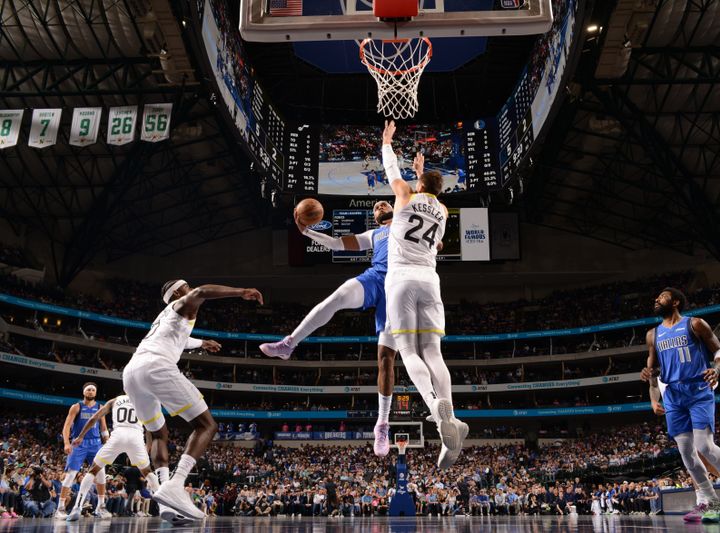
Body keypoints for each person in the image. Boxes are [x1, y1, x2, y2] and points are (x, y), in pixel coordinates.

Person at [259, 201, 399, 457]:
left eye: (384, 203)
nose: (379, 205)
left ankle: (382, 423)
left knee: (385, 359)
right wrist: (306, 232)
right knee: (335, 299)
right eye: (376, 207)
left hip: (401, 286)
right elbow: (336, 244)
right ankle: (289, 343)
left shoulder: (406, 222)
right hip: (376, 278)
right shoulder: (374, 234)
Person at [123, 280, 262, 521]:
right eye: (186, 285)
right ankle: (176, 484)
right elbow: (202, 292)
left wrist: (202, 343)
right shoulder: (182, 303)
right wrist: (241, 291)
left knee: (158, 434)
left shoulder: (165, 316)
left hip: (132, 372)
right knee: (207, 425)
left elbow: (180, 339)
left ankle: (166, 502)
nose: (191, 288)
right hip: (156, 367)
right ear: (177, 293)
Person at [380, 119, 468, 471]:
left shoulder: (405, 196)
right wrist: (422, 174)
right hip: (430, 280)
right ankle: (450, 413)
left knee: (407, 351)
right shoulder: (444, 211)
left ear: (418, 184)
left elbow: (390, 173)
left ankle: (435, 408)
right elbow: (429, 196)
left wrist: (388, 144)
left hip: (400, 278)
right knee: (433, 351)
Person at [641, 287, 720, 523]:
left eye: (661, 296)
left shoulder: (696, 324)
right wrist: (653, 399)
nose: (656, 299)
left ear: (676, 302)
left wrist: (717, 368)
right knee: (686, 454)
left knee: (704, 445)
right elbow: (652, 375)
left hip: (698, 388)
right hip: (673, 394)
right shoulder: (653, 335)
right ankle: (712, 502)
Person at [65, 394, 188, 523]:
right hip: (136, 437)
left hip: (118, 435)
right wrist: (148, 446)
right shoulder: (143, 401)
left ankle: (77, 507)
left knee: (93, 470)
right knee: (148, 473)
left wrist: (80, 436)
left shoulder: (114, 400)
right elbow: (149, 429)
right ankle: (164, 508)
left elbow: (94, 418)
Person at [55, 382, 110, 519]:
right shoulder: (76, 406)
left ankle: (100, 506)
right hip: (78, 443)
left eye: (93, 390)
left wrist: (108, 442)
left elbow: (103, 428)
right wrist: (66, 443)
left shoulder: (100, 407)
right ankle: (60, 508)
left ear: (95, 393)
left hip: (96, 444)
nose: (91, 391)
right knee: (71, 474)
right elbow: (67, 426)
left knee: (101, 473)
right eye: (88, 390)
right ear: (84, 392)